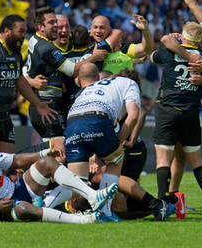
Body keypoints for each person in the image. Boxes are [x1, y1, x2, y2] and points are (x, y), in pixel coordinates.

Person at [0, 132, 118, 224]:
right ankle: (82, 220)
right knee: (23, 209)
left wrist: (45, 153)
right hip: (5, 209)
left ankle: (92, 195)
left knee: (47, 162)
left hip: (19, 189)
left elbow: (16, 160)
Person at [61, 63, 144, 221]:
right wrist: (119, 142)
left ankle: (44, 205)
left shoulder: (90, 89)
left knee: (76, 183)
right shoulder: (129, 84)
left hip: (72, 122)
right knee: (116, 159)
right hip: (97, 120)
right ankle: (105, 212)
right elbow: (134, 116)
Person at [150, 22, 202, 211]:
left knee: (163, 158)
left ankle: (163, 202)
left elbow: (152, 57)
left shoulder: (169, 50)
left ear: (183, 35)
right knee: (196, 158)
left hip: (168, 108)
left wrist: (173, 41)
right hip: (190, 110)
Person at [0, 14, 57, 154]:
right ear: (7, 31)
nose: (23, 36)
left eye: (25, 32)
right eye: (20, 31)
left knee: (7, 162)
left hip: (4, 116)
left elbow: (19, 80)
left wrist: (37, 103)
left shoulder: (16, 53)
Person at [25, 7, 112, 138]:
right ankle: (21, 158)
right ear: (41, 27)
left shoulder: (37, 39)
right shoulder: (48, 48)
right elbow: (72, 71)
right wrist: (93, 57)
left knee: (58, 148)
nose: (61, 30)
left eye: (65, 26)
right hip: (48, 102)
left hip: (60, 103)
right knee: (58, 148)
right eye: (54, 24)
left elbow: (116, 33)